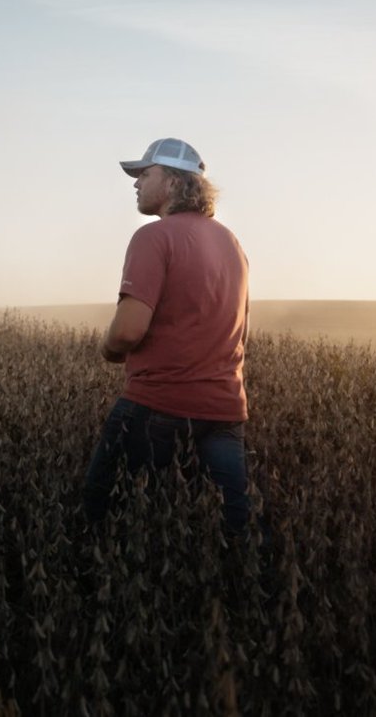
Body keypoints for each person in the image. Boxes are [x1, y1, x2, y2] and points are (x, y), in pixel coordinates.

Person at [82, 137, 254, 537]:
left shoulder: (153, 237)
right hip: (225, 413)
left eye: (146, 173)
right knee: (229, 532)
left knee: (101, 515)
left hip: (157, 407)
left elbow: (127, 331)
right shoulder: (232, 244)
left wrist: (107, 349)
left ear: (175, 182)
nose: (136, 182)